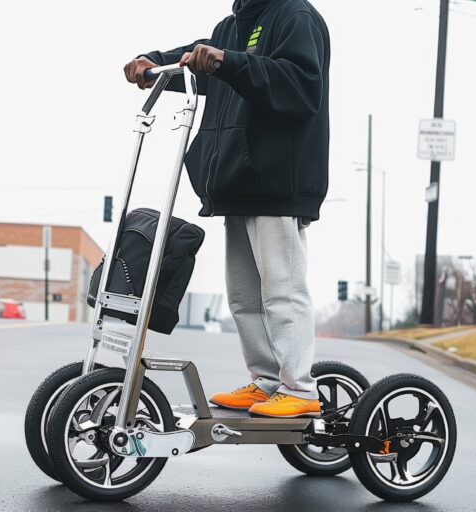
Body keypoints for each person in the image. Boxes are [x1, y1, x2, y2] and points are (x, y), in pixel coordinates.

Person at [123, 0, 329, 418]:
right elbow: (198, 58)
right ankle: (267, 381)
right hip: (239, 179)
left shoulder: (295, 17)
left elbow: (301, 85)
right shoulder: (231, 26)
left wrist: (228, 61)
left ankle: (300, 388)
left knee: (281, 291)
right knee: (244, 296)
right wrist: (155, 63)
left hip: (277, 180)